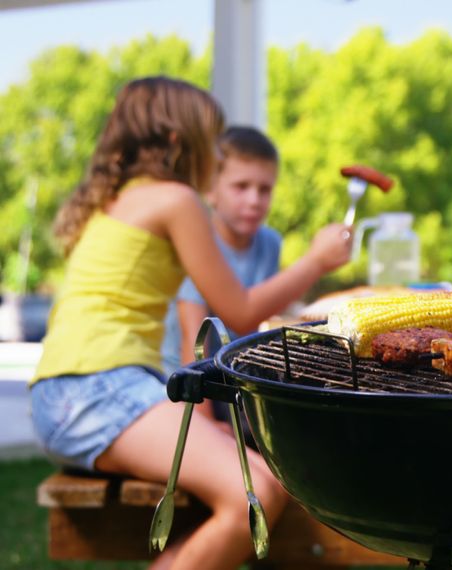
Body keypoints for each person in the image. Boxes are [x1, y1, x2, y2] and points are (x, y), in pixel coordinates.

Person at [29, 76, 354, 569]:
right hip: (98, 391)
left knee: (262, 477)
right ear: (181, 141)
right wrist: (316, 260)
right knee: (256, 495)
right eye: (214, 146)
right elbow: (239, 310)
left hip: (70, 391)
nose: (217, 161)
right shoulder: (176, 200)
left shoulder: (118, 197)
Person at [162, 126, 282, 378]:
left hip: (233, 374)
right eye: (241, 186)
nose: (254, 200)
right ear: (210, 189)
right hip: (183, 381)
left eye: (265, 190)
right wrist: (202, 417)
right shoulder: (197, 242)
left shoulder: (271, 243)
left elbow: (255, 331)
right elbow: (193, 342)